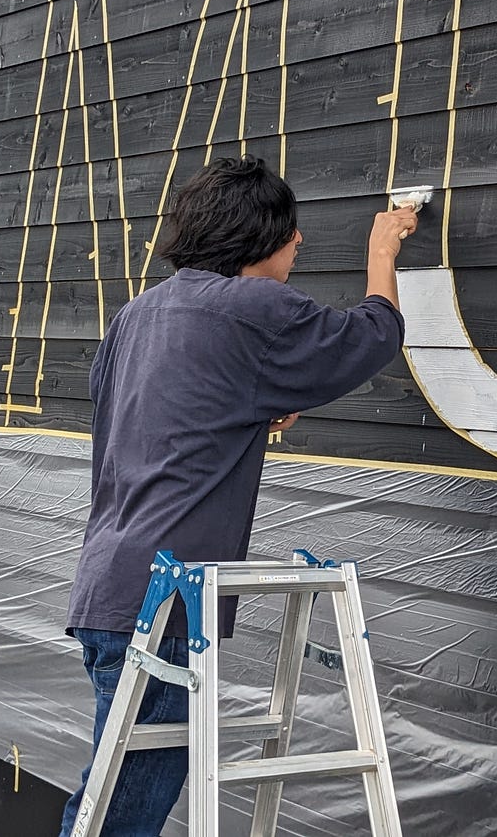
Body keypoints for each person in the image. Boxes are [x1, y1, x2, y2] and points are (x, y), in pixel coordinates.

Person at [58, 156, 418, 836]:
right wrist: (381, 249)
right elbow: (373, 335)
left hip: (106, 586)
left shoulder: (138, 315)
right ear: (259, 239)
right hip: (164, 600)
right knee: (125, 814)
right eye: (291, 232)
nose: (300, 243)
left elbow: (162, 416)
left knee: (107, 793)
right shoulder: (254, 308)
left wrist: (253, 401)